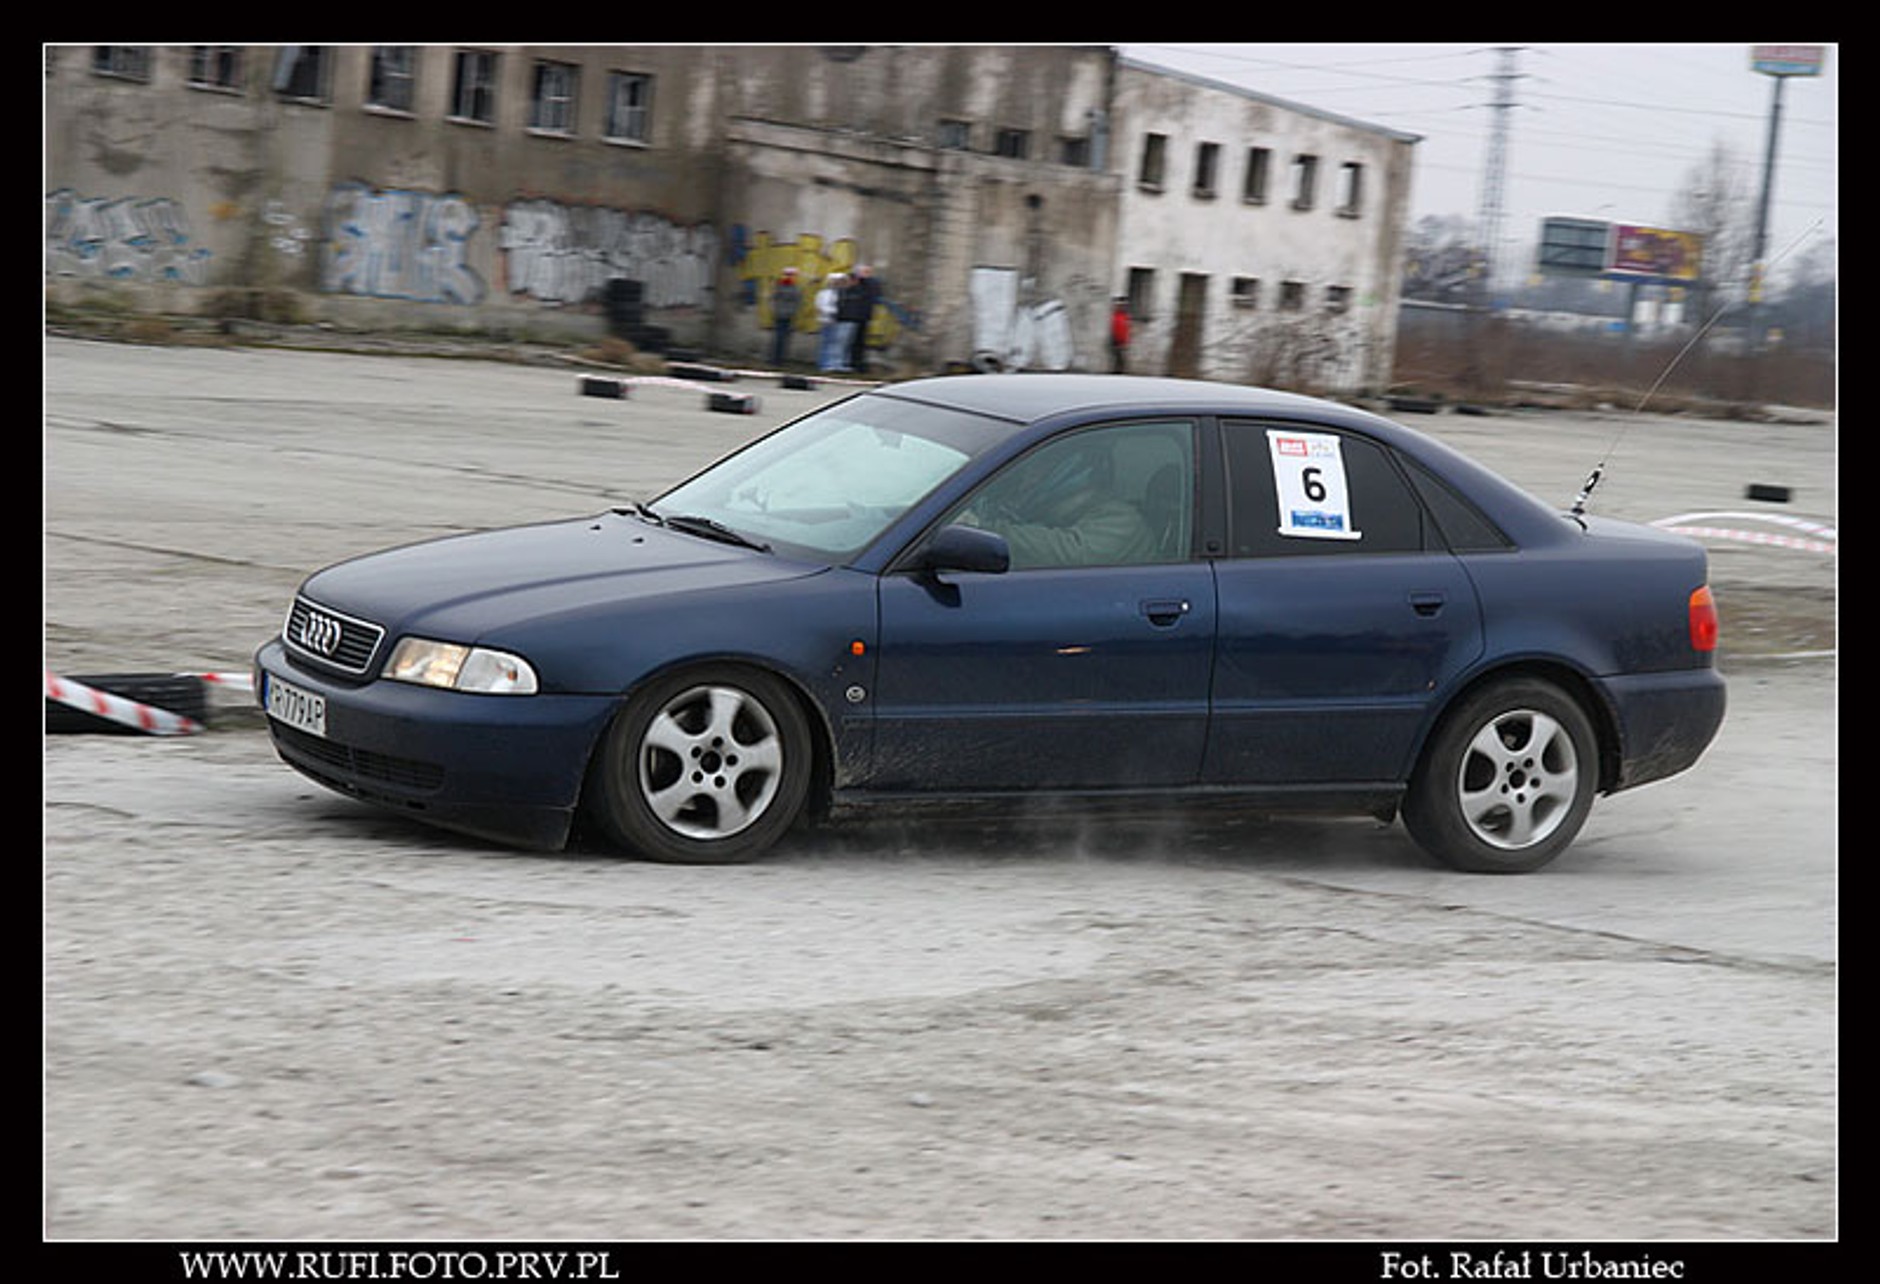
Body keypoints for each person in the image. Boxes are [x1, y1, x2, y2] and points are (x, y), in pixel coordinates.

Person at [841, 264, 882, 375]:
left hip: (862, 316)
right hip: (854, 316)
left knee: (858, 341)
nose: (867, 274)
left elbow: (872, 294)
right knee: (849, 341)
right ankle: (848, 362)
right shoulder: (855, 283)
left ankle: (855, 363)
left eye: (868, 272)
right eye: (865, 272)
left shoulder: (870, 283)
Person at [815, 272, 847, 372]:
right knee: (827, 342)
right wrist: (835, 312)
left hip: (836, 320)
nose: (838, 283)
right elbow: (822, 307)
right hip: (827, 320)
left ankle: (832, 363)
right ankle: (824, 363)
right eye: (836, 281)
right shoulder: (825, 293)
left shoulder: (839, 293)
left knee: (834, 342)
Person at [769, 268, 802, 366]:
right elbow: (774, 299)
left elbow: (797, 301)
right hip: (783, 315)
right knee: (780, 337)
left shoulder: (784, 286)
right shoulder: (784, 286)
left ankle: (778, 358)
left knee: (782, 337)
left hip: (785, 314)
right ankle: (776, 359)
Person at [1109, 296, 1131, 373]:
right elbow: (1115, 328)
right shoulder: (1116, 316)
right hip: (1116, 340)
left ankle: (1119, 371)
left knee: (1121, 358)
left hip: (1122, 341)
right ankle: (1117, 371)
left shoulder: (1124, 316)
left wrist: (1126, 341)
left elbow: (1126, 329)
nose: (1123, 307)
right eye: (1120, 306)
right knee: (1118, 357)